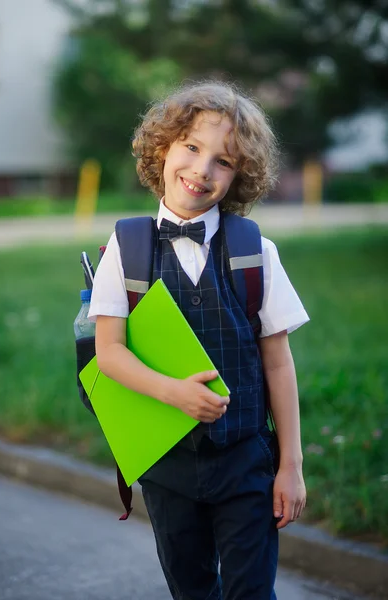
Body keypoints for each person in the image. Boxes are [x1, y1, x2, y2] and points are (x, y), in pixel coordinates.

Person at [88, 80, 309, 600]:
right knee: (191, 589)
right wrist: (173, 392)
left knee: (252, 591)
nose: (202, 170)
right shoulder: (127, 247)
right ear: (162, 147)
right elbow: (109, 353)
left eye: (224, 161)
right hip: (168, 466)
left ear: (240, 177)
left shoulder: (256, 251)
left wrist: (291, 466)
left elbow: (278, 363)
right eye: (191, 147)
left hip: (246, 460)